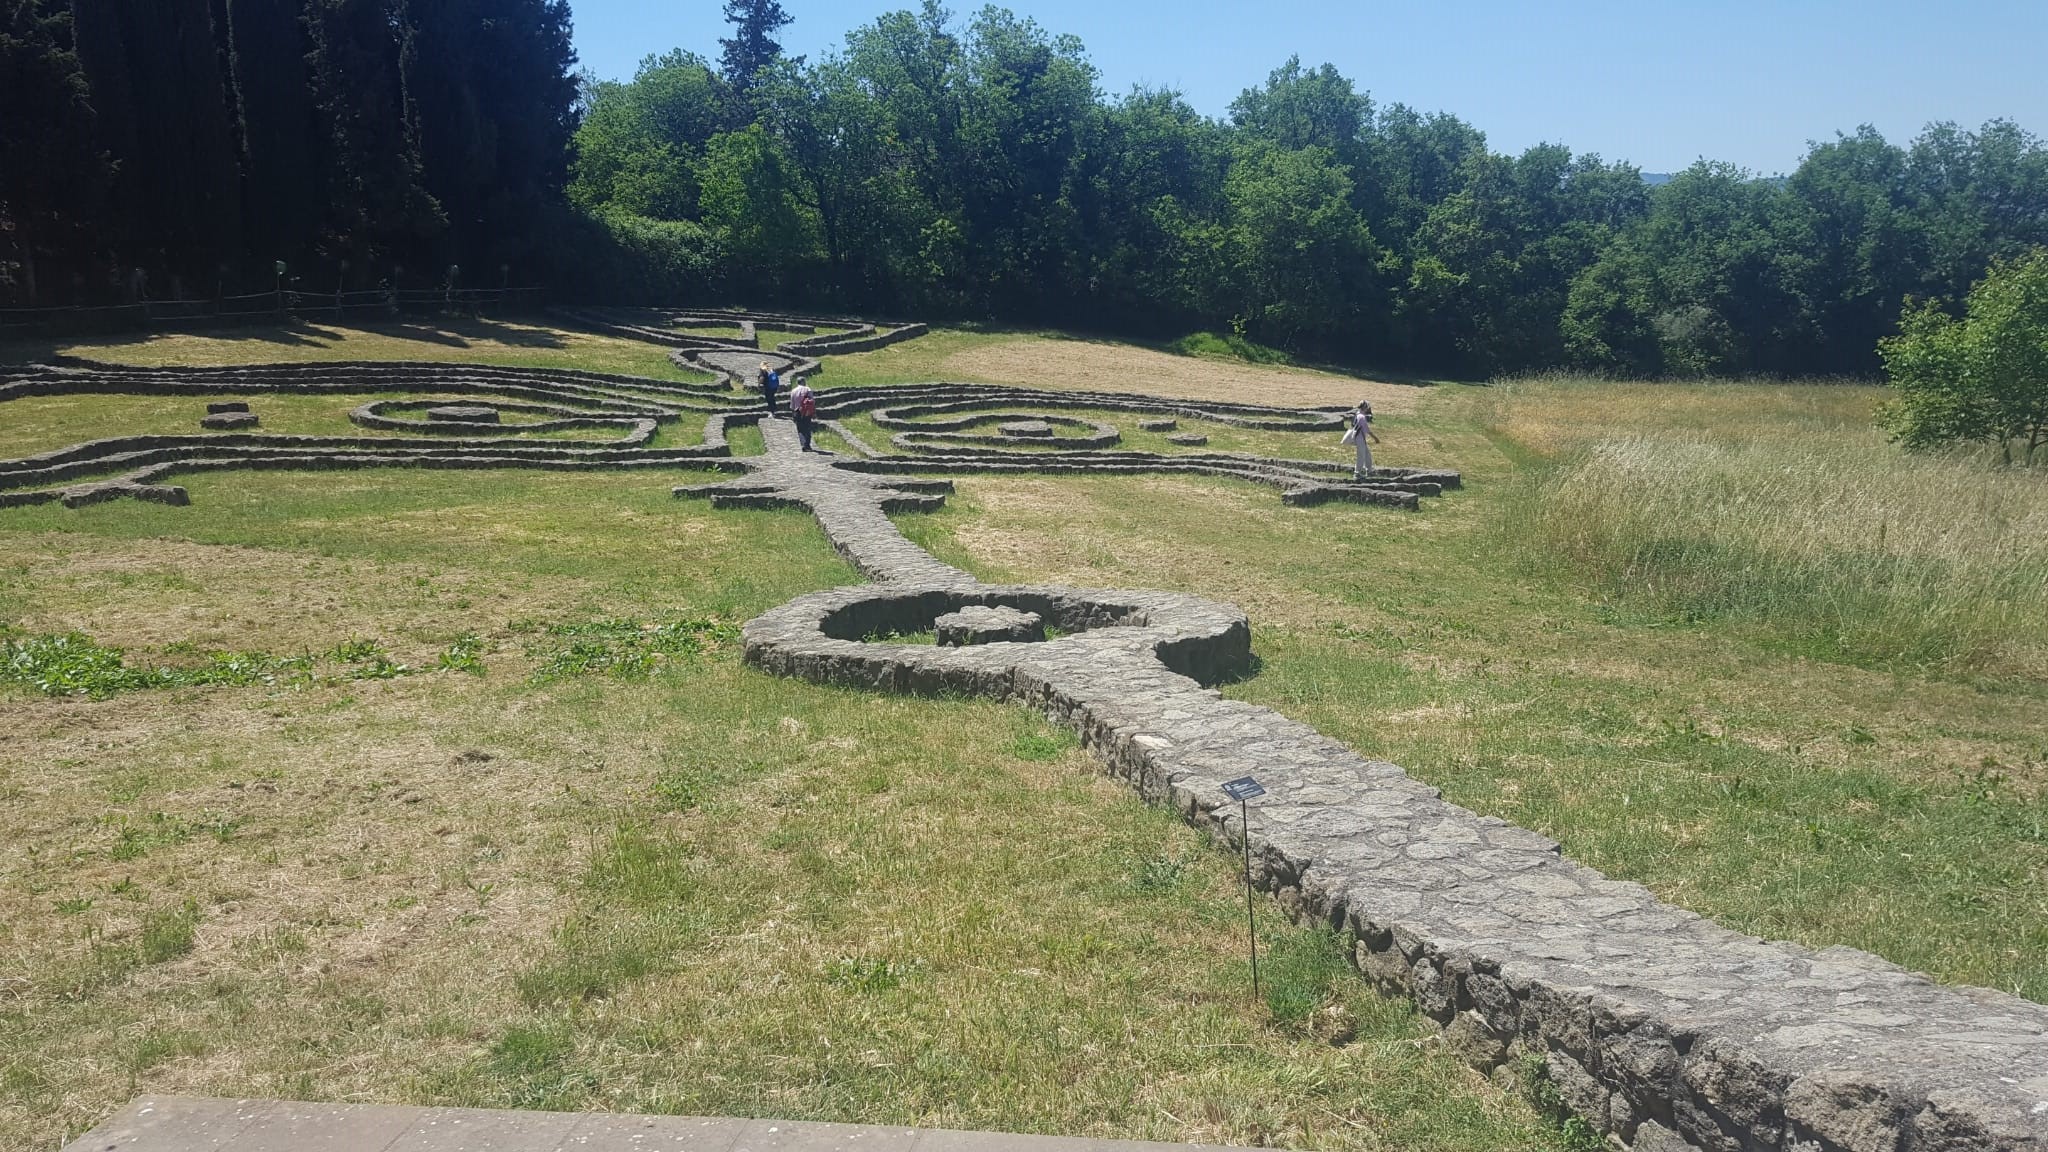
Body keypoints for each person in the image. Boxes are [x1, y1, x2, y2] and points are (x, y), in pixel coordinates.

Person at [1342, 400, 1382, 480]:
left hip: (1360, 438)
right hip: (1359, 438)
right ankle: (1357, 473)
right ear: (1365, 407)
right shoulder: (1362, 417)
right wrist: (1375, 438)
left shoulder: (1357, 414)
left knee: (1367, 455)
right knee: (1361, 456)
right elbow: (1367, 430)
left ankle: (1369, 470)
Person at [789, 377, 818, 451]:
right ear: (803, 382)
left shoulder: (793, 391)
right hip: (806, 411)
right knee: (807, 428)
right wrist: (814, 412)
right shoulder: (808, 389)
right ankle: (807, 445)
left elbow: (792, 404)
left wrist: (793, 414)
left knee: (800, 429)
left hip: (797, 411)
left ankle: (803, 444)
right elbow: (812, 402)